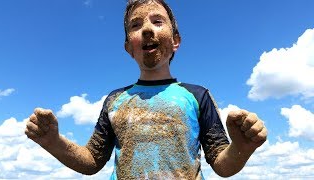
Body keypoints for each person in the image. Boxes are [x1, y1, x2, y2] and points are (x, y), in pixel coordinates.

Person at [25, 0, 267, 179]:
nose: (148, 29)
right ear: (129, 47)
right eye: (136, 25)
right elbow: (92, 161)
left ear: (175, 40)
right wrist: (53, 142)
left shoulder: (197, 95)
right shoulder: (115, 100)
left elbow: (222, 165)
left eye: (158, 21)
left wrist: (241, 148)